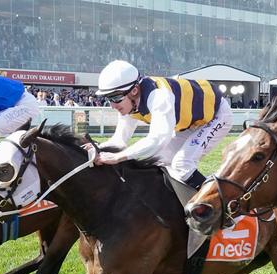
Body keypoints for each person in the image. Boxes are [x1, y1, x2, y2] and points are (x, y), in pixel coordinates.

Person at [90, 60, 233, 189]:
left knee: (182, 164)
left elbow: (158, 139)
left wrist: (118, 157)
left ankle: (226, 208)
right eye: (108, 98)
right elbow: (119, 141)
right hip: (190, 122)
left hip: (216, 115)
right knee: (157, 161)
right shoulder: (129, 102)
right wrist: (96, 148)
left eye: (115, 98)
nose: (112, 105)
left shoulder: (159, 96)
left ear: (134, 91)